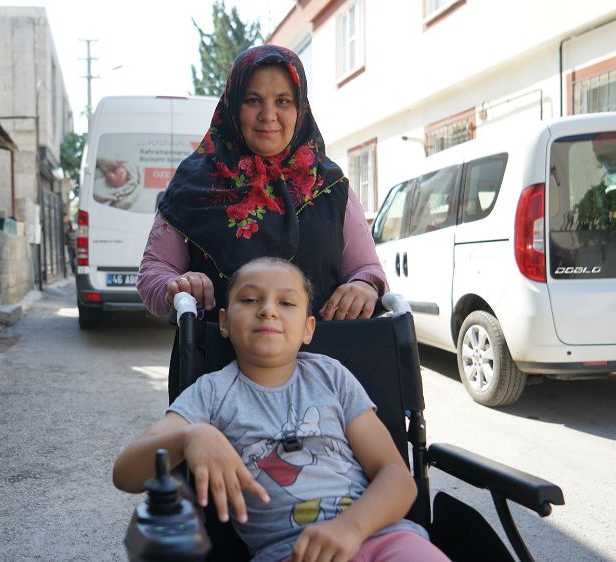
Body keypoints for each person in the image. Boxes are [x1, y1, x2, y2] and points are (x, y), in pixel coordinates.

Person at [114, 258, 448, 562]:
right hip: (289, 552)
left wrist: (351, 528)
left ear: (308, 329)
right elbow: (126, 474)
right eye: (249, 299)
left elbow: (398, 479)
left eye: (287, 302)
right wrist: (190, 436)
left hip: (382, 538)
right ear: (225, 323)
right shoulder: (210, 392)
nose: (268, 310)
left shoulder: (331, 376)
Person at [136, 45, 388, 402]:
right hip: (217, 380)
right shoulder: (193, 186)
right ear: (233, 104)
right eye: (253, 100)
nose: (268, 115)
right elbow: (152, 274)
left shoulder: (330, 186)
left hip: (322, 380)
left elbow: (367, 268)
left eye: (283, 101)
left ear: (300, 108)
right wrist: (176, 285)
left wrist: (364, 285)